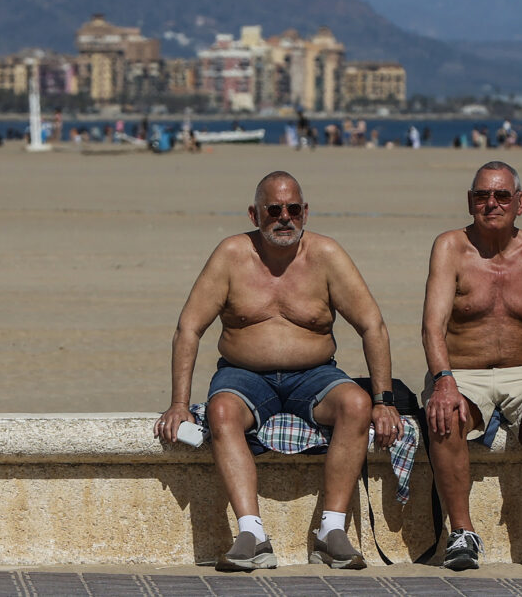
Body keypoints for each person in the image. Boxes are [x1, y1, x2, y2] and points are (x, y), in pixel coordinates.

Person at [154, 171, 402, 571]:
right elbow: (189, 327)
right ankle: (252, 533)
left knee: (356, 404)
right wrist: (179, 404)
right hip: (243, 374)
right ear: (255, 214)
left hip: (315, 374)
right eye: (274, 209)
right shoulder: (231, 255)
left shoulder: (327, 255)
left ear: (305, 212)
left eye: (292, 209)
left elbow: (373, 325)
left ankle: (331, 531)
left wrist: (384, 401)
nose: (284, 217)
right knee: (220, 412)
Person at [421, 161, 522, 571]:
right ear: (470, 201)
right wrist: (443, 381)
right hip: (462, 370)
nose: (491, 204)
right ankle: (461, 534)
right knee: (444, 418)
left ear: (520, 202)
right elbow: (432, 326)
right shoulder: (450, 247)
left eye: (501, 196)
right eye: (481, 196)